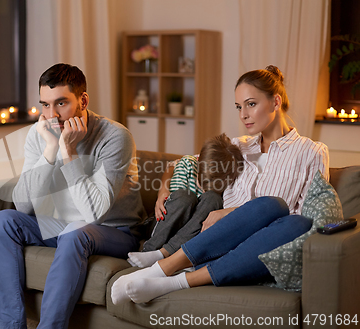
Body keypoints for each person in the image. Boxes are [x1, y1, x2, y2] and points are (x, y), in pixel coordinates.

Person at [111, 65, 329, 305]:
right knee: (271, 205)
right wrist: (164, 187)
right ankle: (163, 268)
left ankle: (171, 279)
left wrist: (231, 211)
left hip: (262, 247)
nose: (243, 114)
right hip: (217, 240)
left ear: (275, 102)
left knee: (289, 217)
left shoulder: (311, 151)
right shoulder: (238, 146)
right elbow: (179, 163)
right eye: (239, 107)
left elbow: (307, 215)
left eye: (251, 104)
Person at [0, 63, 145, 329]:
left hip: (114, 231)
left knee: (75, 231)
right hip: (60, 226)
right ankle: (10, 326)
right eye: (45, 105)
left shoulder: (115, 137)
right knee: (2, 221)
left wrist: (68, 152)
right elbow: (23, 205)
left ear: (83, 100)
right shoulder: (40, 135)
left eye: (61, 103)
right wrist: (50, 149)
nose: (52, 115)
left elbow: (94, 213)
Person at [127, 133, 244, 268]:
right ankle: (150, 250)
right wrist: (163, 192)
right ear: (200, 162)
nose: (206, 188)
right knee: (185, 197)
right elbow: (177, 206)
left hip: (190, 234)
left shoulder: (225, 178)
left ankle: (164, 254)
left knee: (213, 199)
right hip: (167, 223)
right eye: (204, 181)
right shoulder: (188, 164)